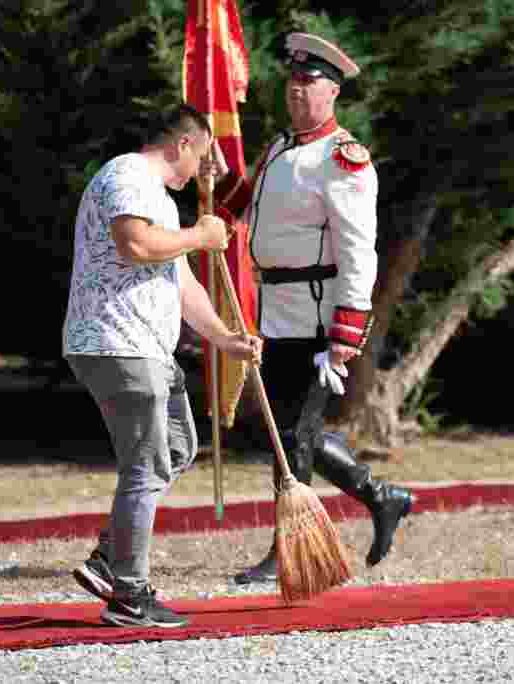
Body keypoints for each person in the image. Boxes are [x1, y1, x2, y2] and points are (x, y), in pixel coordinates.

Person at [206, 33, 414, 585]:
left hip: (318, 314)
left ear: (334, 91)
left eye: (310, 83)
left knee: (291, 434)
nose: (298, 92)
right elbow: (249, 200)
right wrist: (213, 193)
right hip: (276, 308)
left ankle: (288, 552)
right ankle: (381, 497)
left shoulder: (342, 160)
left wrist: (348, 327)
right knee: (287, 429)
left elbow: (357, 250)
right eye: (293, 82)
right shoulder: (281, 146)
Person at [63, 104, 262, 627]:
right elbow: (134, 246)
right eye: (202, 156)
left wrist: (224, 338)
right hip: (117, 345)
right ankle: (129, 594)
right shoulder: (129, 175)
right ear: (182, 145)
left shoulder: (162, 202)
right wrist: (202, 236)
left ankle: (111, 558)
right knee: (147, 464)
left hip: (147, 347)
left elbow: (182, 285)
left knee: (176, 448)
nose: (203, 170)